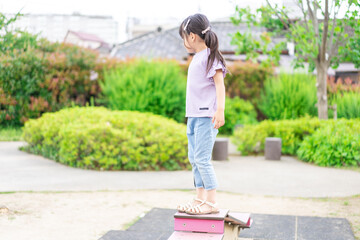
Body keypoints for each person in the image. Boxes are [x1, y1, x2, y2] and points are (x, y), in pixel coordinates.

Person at [176, 13, 227, 215]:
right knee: (194, 158)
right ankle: (200, 198)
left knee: (203, 159)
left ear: (192, 36)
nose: (184, 42)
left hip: (206, 117)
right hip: (194, 117)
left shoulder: (210, 57)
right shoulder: (197, 58)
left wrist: (220, 110)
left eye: (183, 37)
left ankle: (212, 202)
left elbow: (219, 84)